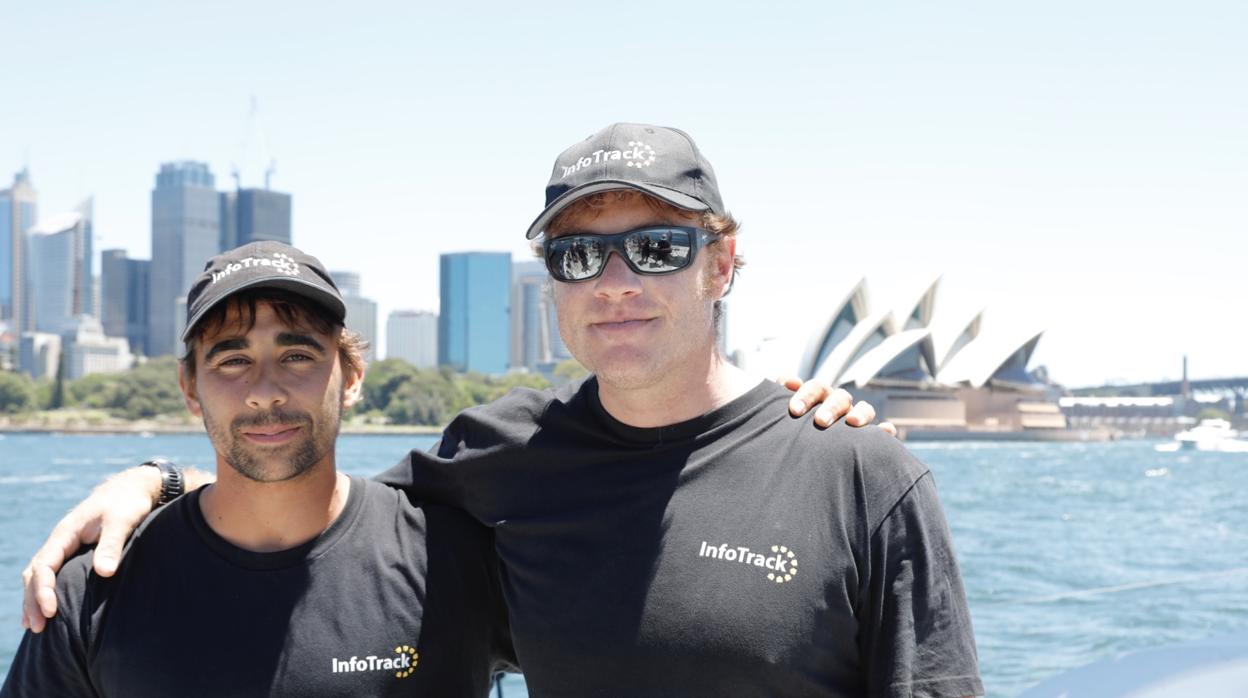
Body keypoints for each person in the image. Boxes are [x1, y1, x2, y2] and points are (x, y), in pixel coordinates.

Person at [365, 123, 984, 696]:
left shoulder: (860, 473)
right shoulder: (504, 449)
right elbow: (323, 530)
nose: (613, 283)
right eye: (576, 255)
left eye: (656, 248)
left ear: (719, 266)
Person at [2, 242, 513, 696]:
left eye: (296, 355)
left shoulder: (455, 559)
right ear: (189, 388)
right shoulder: (90, 590)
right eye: (232, 360)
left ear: (352, 377)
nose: (265, 390)